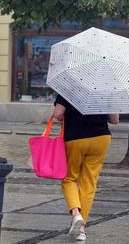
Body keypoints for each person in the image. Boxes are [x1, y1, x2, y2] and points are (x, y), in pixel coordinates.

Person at [52, 94, 119, 241]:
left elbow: (57, 114)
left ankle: (76, 214)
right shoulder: (106, 89)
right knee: (89, 182)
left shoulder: (69, 86)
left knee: (69, 178)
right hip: (101, 138)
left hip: (75, 138)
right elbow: (114, 120)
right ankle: (81, 230)